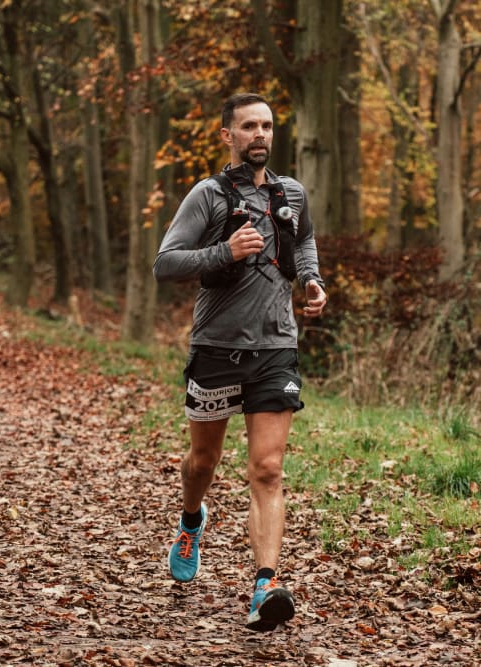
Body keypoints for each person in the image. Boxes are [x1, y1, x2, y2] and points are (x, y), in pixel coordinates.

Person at [153, 93, 328, 632]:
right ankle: (191, 520)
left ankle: (265, 585)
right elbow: (165, 263)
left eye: (267, 126)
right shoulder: (207, 195)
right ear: (227, 134)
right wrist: (224, 252)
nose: (260, 134)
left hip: (276, 348)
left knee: (268, 469)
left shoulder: (291, 192)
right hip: (216, 347)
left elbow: (304, 242)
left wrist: (312, 280)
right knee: (202, 463)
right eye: (249, 126)